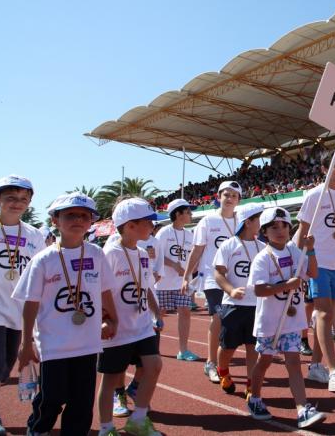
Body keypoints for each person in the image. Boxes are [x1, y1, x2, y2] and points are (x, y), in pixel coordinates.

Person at [13, 192, 119, 436]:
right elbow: (31, 303)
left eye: (84, 216)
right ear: (55, 221)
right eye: (70, 215)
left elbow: (105, 291)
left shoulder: (96, 254)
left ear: (91, 222)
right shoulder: (44, 259)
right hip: (54, 345)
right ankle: (38, 429)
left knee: (82, 402)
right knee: (52, 397)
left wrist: (112, 318)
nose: (78, 220)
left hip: (87, 344)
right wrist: (26, 341)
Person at [248, 207, 325, 428]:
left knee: (293, 361)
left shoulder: (294, 252)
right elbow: (259, 290)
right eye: (274, 227)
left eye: (284, 226)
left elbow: (313, 273)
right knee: (265, 361)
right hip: (270, 322)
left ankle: (302, 408)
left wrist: (310, 251)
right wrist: (285, 285)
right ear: (264, 232)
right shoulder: (262, 258)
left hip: (292, 320)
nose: (280, 231)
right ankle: (254, 398)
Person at [97, 198, 163, 436]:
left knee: (154, 365)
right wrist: (105, 318)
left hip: (143, 324)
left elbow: (146, 286)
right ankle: (106, 428)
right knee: (111, 378)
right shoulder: (110, 253)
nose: (152, 227)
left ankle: (138, 419)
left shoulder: (143, 253)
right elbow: (100, 290)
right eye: (148, 222)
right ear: (130, 225)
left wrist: (156, 312)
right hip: (118, 327)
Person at [295, 153, 335, 392]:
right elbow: (302, 231)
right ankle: (334, 371)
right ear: (324, 169)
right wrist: (300, 265)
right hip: (316, 262)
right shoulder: (314, 195)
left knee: (330, 315)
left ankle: (315, 367)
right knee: (322, 313)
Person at [0, 176, 45, 436]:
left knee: (6, 366)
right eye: (11, 198)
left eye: (23, 199)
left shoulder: (35, 235)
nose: (17, 203)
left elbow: (40, 270)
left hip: (19, 310)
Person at [183, 181, 242, 384]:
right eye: (226, 194)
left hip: (236, 279)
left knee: (233, 322)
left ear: (239, 200)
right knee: (218, 317)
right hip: (212, 278)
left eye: (234, 195)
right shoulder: (207, 222)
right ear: (218, 196)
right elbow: (197, 250)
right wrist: (187, 275)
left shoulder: (242, 220)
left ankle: (223, 363)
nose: (230, 198)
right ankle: (210, 363)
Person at [213, 203, 264, 398]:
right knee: (228, 347)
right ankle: (223, 371)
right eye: (258, 219)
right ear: (248, 222)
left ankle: (251, 385)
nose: (261, 223)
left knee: (253, 348)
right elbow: (218, 273)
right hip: (233, 305)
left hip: (256, 305)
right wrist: (231, 290)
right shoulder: (229, 245)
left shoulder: (263, 247)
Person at [155, 199, 198, 362]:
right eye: (187, 212)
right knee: (159, 315)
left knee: (185, 312)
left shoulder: (189, 234)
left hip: (183, 282)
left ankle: (183, 350)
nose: (191, 214)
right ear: (178, 214)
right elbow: (157, 255)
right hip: (164, 282)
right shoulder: (164, 232)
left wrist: (191, 270)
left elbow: (193, 255)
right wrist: (174, 265)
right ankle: (152, 348)